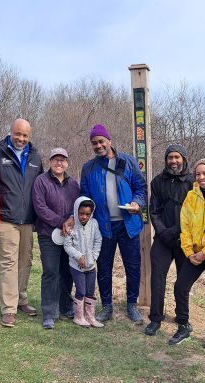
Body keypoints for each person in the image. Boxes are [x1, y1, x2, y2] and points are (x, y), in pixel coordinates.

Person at [80, 124, 147, 324]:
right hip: (104, 225)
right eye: (94, 143)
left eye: (101, 141)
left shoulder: (127, 162)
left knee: (133, 266)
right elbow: (84, 196)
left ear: (109, 141)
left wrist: (138, 202)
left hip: (128, 224)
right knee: (104, 266)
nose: (98, 145)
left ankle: (131, 305)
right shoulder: (88, 168)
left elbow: (141, 187)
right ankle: (107, 306)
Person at [0, 119, 43, 327]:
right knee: (8, 262)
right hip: (5, 218)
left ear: (30, 136)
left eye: (25, 135)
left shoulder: (36, 156)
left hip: (28, 219)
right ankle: (8, 308)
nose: (21, 139)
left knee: (25, 261)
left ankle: (21, 299)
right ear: (10, 132)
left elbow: (40, 187)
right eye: (17, 134)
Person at [170, 159, 205, 347]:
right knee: (180, 287)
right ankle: (183, 325)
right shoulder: (191, 195)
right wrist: (189, 252)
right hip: (194, 252)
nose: (202, 177)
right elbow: (184, 225)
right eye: (198, 174)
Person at [144, 144, 193, 336]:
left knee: (183, 280)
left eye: (177, 157)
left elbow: (194, 213)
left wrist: (177, 230)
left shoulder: (192, 181)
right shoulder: (157, 182)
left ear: (184, 158)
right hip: (163, 238)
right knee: (157, 277)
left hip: (185, 238)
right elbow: (153, 210)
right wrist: (163, 231)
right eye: (170, 157)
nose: (173, 161)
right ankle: (155, 318)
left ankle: (182, 319)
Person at [32, 147, 79, 329]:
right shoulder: (41, 181)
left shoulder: (73, 183)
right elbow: (40, 208)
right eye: (55, 159)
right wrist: (61, 221)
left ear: (67, 163)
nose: (59, 163)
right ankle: (49, 313)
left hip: (69, 234)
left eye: (62, 160)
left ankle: (66, 306)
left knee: (67, 271)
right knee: (51, 272)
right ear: (50, 161)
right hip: (48, 234)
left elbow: (78, 205)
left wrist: (72, 220)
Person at [64, 196, 103, 328]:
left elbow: (98, 241)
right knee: (80, 290)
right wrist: (79, 256)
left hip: (91, 266)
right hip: (76, 266)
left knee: (90, 291)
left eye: (87, 214)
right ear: (76, 212)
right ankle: (78, 316)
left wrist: (94, 257)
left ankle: (90, 316)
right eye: (81, 214)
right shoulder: (72, 226)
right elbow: (67, 245)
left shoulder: (94, 224)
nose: (84, 217)